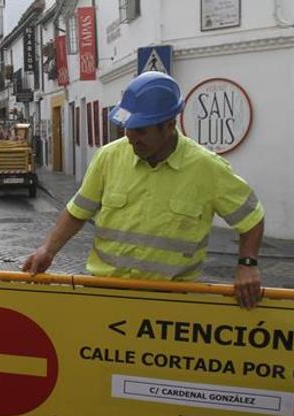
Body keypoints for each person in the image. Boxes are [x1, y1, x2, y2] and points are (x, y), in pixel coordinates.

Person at [22, 71, 264, 309]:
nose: (131, 137)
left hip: (171, 304)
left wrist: (247, 264)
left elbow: (251, 218)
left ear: (169, 125)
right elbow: (78, 212)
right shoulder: (108, 157)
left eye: (141, 130)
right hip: (105, 294)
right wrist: (48, 249)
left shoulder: (207, 168)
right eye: (128, 128)